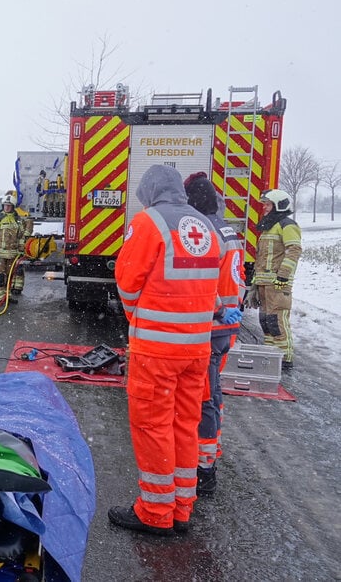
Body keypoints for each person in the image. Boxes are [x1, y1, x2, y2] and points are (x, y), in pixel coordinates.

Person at [109, 164, 221, 536]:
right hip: (197, 351)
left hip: (157, 351)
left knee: (152, 426)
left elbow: (127, 280)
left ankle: (155, 512)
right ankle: (182, 508)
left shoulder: (148, 223)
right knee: (184, 425)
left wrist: (137, 317)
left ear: (150, 191)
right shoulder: (205, 225)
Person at [184, 174, 244, 496]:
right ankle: (211, 452)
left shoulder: (203, 234)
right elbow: (238, 277)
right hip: (226, 328)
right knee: (214, 392)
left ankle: (204, 470)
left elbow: (201, 282)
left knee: (205, 396)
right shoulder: (229, 231)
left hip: (210, 324)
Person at [247, 188, 302, 373]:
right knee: (266, 320)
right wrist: (255, 284)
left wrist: (283, 276)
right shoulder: (269, 226)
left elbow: (294, 250)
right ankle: (271, 354)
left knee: (277, 321)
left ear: (279, 205)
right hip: (265, 284)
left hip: (278, 284)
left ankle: (284, 359)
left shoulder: (287, 225)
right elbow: (262, 257)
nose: (264, 208)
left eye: (268, 205)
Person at [0, 194, 31, 304]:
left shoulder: (18, 220)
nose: (6, 207)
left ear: (13, 206)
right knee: (0, 276)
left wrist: (21, 249)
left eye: (9, 205)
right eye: (5, 205)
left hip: (13, 254)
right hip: (1, 253)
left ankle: (7, 296)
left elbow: (21, 236)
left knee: (10, 276)